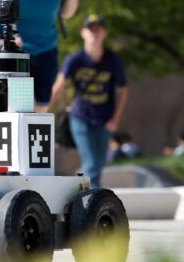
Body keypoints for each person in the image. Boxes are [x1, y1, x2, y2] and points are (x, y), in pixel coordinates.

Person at [50, 14, 128, 188]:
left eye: (98, 30)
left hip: (105, 120)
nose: (94, 34)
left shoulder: (112, 60)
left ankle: (83, 197)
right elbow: (59, 85)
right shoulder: (74, 60)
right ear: (82, 33)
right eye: (90, 30)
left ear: (104, 34)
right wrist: (42, 111)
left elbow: (123, 89)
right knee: (91, 163)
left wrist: (115, 119)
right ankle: (91, 202)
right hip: (81, 118)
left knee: (98, 165)